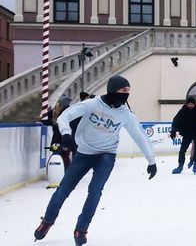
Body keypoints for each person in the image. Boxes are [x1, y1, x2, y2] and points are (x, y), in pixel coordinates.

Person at [34, 75, 157, 246]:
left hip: (107, 155)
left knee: (95, 191)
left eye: (128, 92)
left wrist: (151, 161)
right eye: (123, 91)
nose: (126, 95)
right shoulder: (92, 104)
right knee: (63, 190)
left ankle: (81, 229)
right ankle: (47, 221)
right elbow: (64, 117)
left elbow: (139, 136)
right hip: (83, 153)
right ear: (113, 90)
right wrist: (66, 133)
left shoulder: (125, 114)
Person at [170, 97, 196, 174]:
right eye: (188, 104)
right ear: (186, 104)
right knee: (182, 150)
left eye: (191, 104)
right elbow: (176, 120)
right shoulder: (183, 111)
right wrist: (173, 131)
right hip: (187, 133)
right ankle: (180, 166)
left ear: (194, 104)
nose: (190, 105)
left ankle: (195, 164)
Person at [44, 95, 74, 170]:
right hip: (60, 139)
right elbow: (49, 121)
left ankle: (62, 171)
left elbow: (48, 121)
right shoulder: (56, 112)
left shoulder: (64, 112)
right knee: (62, 156)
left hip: (61, 139)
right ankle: (63, 171)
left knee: (62, 155)